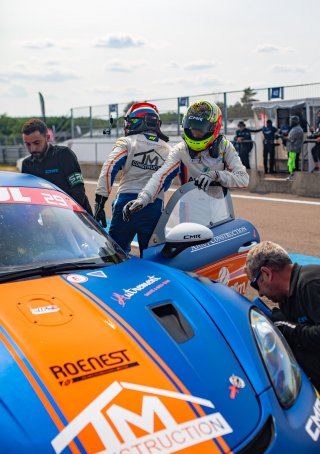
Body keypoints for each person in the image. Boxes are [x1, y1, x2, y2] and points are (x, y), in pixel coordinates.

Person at [122, 100, 249, 223]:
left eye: (200, 128)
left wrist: (216, 175)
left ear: (214, 128)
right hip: (189, 212)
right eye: (192, 126)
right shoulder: (180, 149)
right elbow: (160, 176)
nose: (195, 132)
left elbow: (243, 179)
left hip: (219, 209)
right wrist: (142, 198)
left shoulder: (225, 146)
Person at [94, 102, 171, 255]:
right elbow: (166, 183)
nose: (127, 125)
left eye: (129, 121)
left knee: (115, 255)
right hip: (154, 206)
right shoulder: (168, 149)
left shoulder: (127, 142)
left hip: (125, 203)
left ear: (137, 121)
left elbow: (109, 168)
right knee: (152, 257)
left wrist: (100, 202)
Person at [245, 240, 320, 391]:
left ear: (266, 274)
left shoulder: (311, 284)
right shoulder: (286, 299)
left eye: (255, 284)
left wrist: (288, 328)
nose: (259, 293)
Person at [21, 118, 92, 214]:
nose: (33, 148)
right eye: (28, 144)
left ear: (47, 137)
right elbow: (29, 196)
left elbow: (78, 191)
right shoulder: (27, 164)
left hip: (78, 217)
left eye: (37, 143)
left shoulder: (64, 154)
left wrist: (63, 214)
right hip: (49, 219)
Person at [286, 115, 304, 180]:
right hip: (293, 149)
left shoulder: (296, 129)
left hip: (293, 149)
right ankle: (292, 176)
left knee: (292, 164)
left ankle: (293, 177)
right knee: (292, 163)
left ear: (295, 122)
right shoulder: (296, 128)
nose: (290, 122)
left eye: (291, 121)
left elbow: (291, 140)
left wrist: (282, 137)